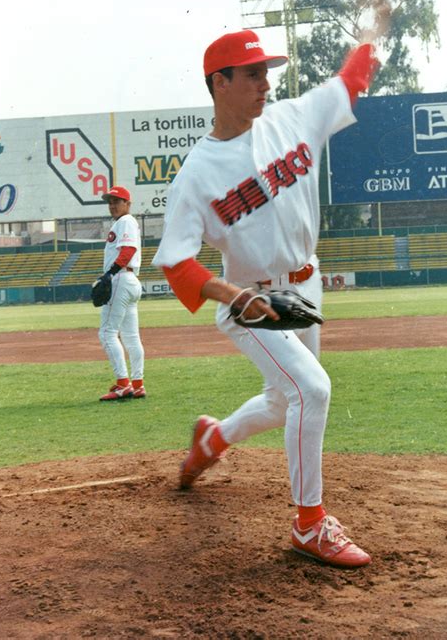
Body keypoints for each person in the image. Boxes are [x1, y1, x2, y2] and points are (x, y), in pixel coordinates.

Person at [152, 28, 381, 567]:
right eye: (253, 74)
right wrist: (231, 294)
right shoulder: (197, 175)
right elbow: (177, 263)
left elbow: (349, 81)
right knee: (313, 391)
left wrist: (373, 31)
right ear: (219, 83)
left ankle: (212, 440)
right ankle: (309, 525)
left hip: (306, 287)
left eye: (266, 72)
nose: (265, 82)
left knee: (284, 401)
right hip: (251, 300)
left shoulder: (292, 118)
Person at [97, 185, 146, 401]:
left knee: (107, 333)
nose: (112, 205)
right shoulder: (124, 222)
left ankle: (123, 384)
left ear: (127, 203)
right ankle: (137, 384)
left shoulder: (125, 221)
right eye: (109, 201)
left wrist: (110, 274)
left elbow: (128, 250)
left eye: (116, 201)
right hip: (130, 280)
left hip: (121, 278)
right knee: (131, 336)